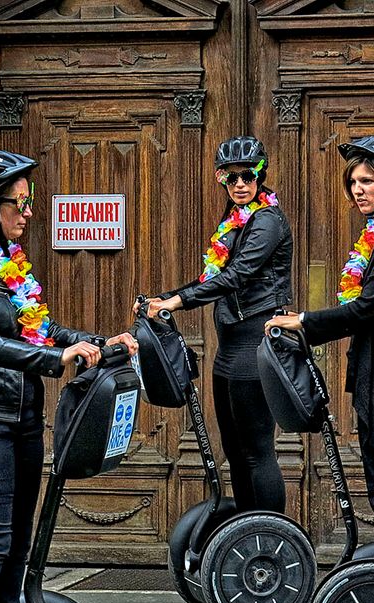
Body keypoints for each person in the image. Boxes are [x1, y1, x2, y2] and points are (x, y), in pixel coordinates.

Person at [0, 150, 138, 603]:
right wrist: (55, 360)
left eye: (30, 203)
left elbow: (39, 329)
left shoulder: (9, 265)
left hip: (20, 418)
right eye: (19, 203)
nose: (28, 214)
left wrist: (94, 342)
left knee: (18, 542)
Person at [266, 135, 374, 569]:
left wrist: (302, 322)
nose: (357, 190)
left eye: (367, 181)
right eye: (353, 183)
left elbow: (367, 307)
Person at [139, 136, 293, 515]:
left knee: (257, 449)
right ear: (222, 180)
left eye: (248, 176)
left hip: (255, 346)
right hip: (229, 350)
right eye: (231, 177)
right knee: (234, 450)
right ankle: (244, 530)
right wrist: (164, 298)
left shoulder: (268, 221)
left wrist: (178, 301)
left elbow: (238, 275)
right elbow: (212, 277)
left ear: (260, 176)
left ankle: (270, 533)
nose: (240, 184)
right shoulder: (233, 221)